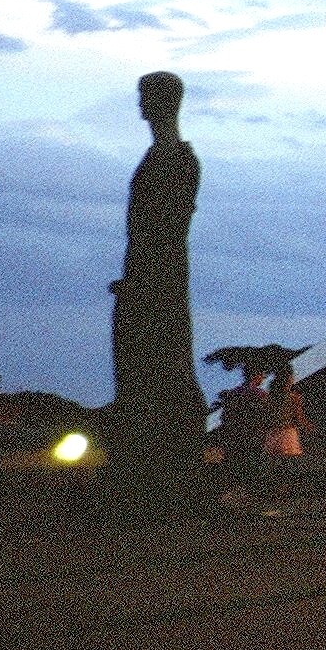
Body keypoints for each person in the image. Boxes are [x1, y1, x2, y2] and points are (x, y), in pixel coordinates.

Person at [109, 72, 207, 500]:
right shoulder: (158, 157)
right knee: (139, 369)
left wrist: (145, 281)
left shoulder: (179, 160)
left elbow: (167, 229)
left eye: (145, 97)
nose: (140, 105)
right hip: (144, 278)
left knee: (163, 364)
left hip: (159, 283)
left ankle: (167, 466)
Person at [262, 364, 307, 463]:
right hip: (287, 436)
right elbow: (299, 418)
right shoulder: (294, 398)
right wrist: (310, 428)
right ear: (289, 379)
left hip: (272, 436)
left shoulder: (269, 398)